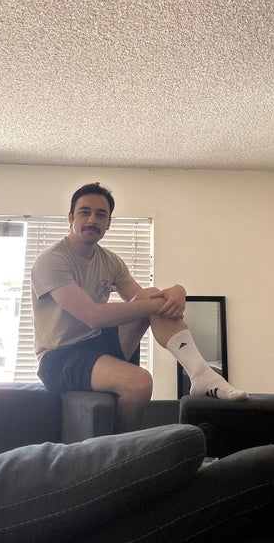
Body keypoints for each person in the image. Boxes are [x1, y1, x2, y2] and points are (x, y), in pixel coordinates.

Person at [31, 182, 247, 432]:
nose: (92, 220)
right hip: (60, 357)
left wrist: (178, 291)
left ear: (108, 223)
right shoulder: (51, 261)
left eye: (101, 215)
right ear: (70, 217)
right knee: (140, 382)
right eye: (85, 212)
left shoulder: (109, 260)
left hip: (97, 343)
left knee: (151, 294)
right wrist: (158, 302)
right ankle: (123, 449)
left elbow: (143, 299)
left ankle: (200, 374)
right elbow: (93, 316)